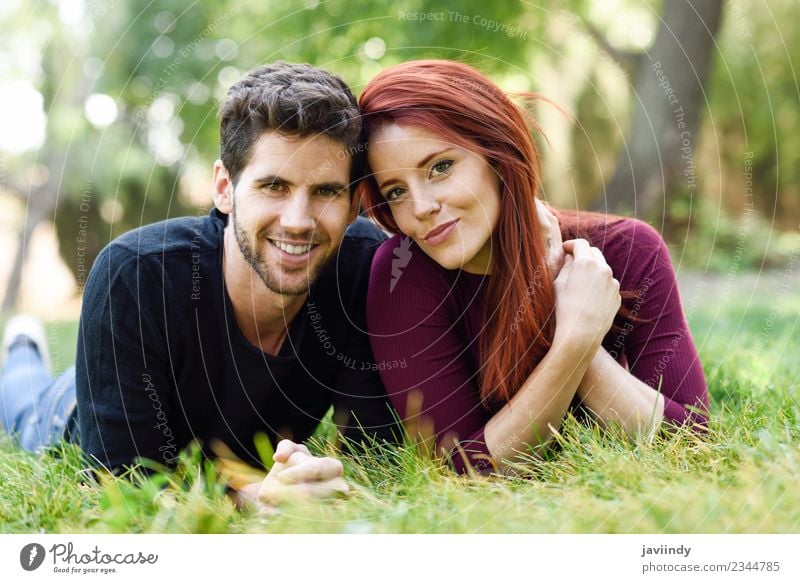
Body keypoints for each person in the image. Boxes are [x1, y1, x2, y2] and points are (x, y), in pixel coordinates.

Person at [0, 62, 399, 506]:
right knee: (22, 401)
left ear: (351, 204)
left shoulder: (365, 267)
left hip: (237, 455)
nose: (298, 221)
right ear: (225, 187)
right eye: (273, 186)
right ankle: (20, 347)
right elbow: (126, 487)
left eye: (325, 191)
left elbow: (375, 453)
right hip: (72, 410)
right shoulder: (136, 275)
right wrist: (253, 500)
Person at [359, 60, 709, 474]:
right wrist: (573, 337)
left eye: (440, 167)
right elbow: (462, 473)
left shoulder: (629, 251)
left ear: (497, 153)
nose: (421, 208)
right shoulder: (402, 278)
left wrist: (571, 325)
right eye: (396, 191)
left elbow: (692, 449)